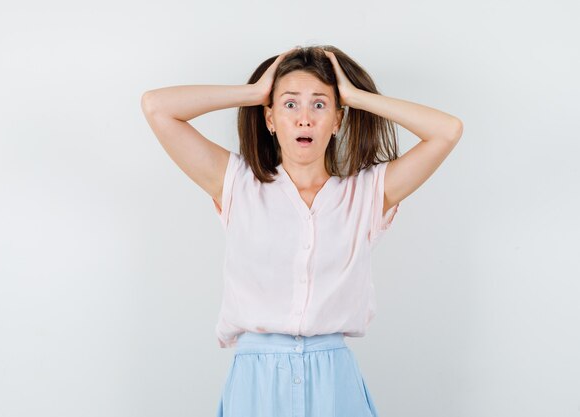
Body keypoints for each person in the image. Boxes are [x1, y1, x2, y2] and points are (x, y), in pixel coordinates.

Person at [141, 45, 462, 417]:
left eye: (320, 105)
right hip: (256, 380)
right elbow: (156, 107)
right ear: (270, 118)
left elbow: (448, 131)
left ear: (338, 120)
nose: (304, 118)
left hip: (333, 378)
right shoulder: (237, 184)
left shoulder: (367, 194)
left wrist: (356, 97)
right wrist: (254, 93)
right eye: (290, 104)